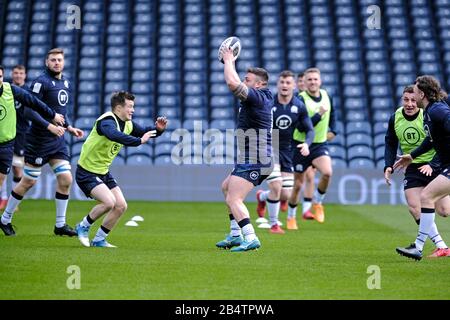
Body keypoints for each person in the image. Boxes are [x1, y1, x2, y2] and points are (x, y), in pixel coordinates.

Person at [0, 48, 83, 237]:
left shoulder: (66, 82)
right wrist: (49, 126)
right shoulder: (40, 82)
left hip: (57, 141)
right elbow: (29, 111)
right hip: (38, 141)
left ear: (63, 62)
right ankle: (5, 219)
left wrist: (69, 127)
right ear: (47, 62)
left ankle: (60, 225)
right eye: (52, 60)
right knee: (27, 182)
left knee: (66, 179)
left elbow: (60, 111)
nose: (56, 63)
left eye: (59, 60)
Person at [74, 91, 167, 247]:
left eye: (133, 106)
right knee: (109, 202)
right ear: (118, 107)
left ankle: (99, 239)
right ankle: (83, 226)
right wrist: (139, 141)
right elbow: (114, 135)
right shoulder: (106, 121)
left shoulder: (128, 124)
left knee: (121, 205)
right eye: (130, 106)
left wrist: (158, 129)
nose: (133, 110)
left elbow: (146, 131)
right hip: (87, 172)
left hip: (103, 172)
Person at [215, 47, 273, 252]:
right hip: (251, 155)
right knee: (226, 187)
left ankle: (250, 237)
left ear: (259, 84)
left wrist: (229, 60)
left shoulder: (259, 96)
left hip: (256, 157)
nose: (243, 81)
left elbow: (232, 83)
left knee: (234, 198)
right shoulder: (260, 96)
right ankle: (234, 235)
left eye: (247, 79)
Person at [385, 85, 450, 258]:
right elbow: (390, 142)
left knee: (444, 211)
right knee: (415, 206)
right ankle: (440, 246)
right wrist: (389, 165)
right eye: (406, 99)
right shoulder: (396, 117)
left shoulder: (431, 112)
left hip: (436, 164)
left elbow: (437, 142)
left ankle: (422, 246)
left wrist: (433, 165)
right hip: (413, 166)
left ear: (420, 97)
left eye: (413, 99)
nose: (410, 103)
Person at [0, 65, 65, 235]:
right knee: (23, 176)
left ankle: (7, 212)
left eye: (0, 76)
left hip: (10, 141)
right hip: (30, 140)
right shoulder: (37, 84)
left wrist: (53, 116)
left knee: (14, 175)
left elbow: (34, 103)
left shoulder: (11, 90)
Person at [255, 70, 314, 234]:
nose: (285, 85)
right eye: (282, 82)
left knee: (286, 195)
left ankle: (261, 197)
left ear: (294, 85)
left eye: (288, 82)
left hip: (288, 149)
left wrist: (307, 144)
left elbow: (310, 129)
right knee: (276, 185)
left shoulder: (299, 106)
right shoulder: (268, 102)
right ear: (278, 84)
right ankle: (274, 224)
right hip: (268, 146)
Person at [287, 67, 337, 228]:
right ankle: (291, 217)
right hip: (300, 144)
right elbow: (301, 127)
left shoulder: (327, 96)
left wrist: (333, 130)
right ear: (305, 82)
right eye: (309, 79)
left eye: (315, 79)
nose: (313, 82)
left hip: (319, 144)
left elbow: (333, 116)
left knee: (328, 173)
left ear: (320, 81)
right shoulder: (299, 99)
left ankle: (317, 202)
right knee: (298, 185)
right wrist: (318, 115)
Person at [0, 65, 31, 210]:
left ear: (25, 75)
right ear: (12, 75)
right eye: (16, 73)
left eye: (21, 73)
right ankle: (4, 198)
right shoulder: (5, 90)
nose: (18, 76)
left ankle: (13, 201)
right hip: (4, 134)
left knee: (17, 170)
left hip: (21, 135)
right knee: (2, 169)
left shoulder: (26, 92)